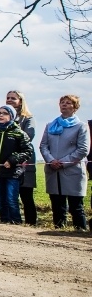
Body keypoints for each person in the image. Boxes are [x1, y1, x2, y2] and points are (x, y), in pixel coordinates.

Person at [39, 95, 90, 230]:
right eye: (62, 102)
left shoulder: (81, 126)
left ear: (75, 107)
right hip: (53, 171)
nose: (64, 105)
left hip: (72, 171)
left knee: (76, 206)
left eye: (68, 103)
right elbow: (43, 146)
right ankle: (58, 229)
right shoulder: (50, 126)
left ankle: (80, 230)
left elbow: (83, 149)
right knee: (57, 205)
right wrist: (51, 160)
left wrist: (63, 162)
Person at [6, 90, 38, 226]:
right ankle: (10, 219)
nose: (10, 100)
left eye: (13, 98)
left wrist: (8, 139)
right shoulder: (1, 116)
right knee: (8, 194)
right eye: (8, 98)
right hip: (6, 160)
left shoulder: (28, 118)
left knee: (26, 194)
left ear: (21, 101)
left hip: (24, 160)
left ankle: (31, 222)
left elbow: (28, 135)